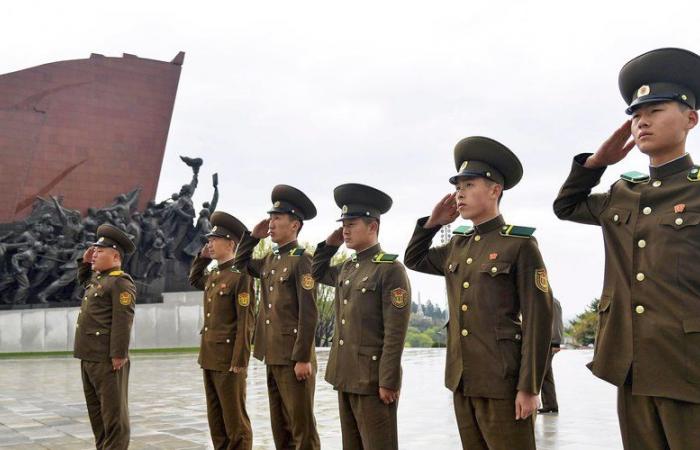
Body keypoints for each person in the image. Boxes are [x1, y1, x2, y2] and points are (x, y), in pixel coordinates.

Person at [553, 47, 700, 449]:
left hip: (689, 367)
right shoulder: (623, 194)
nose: (642, 121)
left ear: (691, 118)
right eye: (636, 114)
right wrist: (597, 162)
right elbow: (565, 207)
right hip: (632, 365)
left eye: (655, 109)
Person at [405, 136, 553, 449]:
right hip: (463, 379)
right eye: (458, 186)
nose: (459, 193)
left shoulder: (519, 245)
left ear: (494, 189)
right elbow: (414, 259)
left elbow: (539, 320)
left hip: (503, 381)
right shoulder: (457, 247)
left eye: (469, 185)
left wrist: (529, 387)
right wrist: (432, 224)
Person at [312, 183, 411, 449]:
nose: (345, 229)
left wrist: (388, 380)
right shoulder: (348, 267)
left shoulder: (390, 269)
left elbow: (395, 331)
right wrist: (329, 244)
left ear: (372, 227)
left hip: (372, 380)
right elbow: (317, 272)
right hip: (345, 375)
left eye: (352, 224)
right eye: (343, 223)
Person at [234, 185, 320, 450]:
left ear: (294, 225)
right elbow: (241, 264)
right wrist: (252, 237)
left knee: (301, 428)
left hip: (294, 357)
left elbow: (309, 312)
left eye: (277, 219)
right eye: (270, 218)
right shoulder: (270, 259)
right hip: (273, 354)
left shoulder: (302, 260)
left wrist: (303, 356)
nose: (270, 223)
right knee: (279, 427)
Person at [189, 211, 255, 450]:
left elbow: (245, 322)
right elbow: (194, 279)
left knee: (235, 424)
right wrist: (203, 258)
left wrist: (240, 359)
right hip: (209, 357)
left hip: (229, 360)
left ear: (231, 243)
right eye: (209, 240)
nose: (210, 244)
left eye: (214, 240)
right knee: (216, 422)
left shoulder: (241, 276)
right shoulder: (214, 274)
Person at [74, 224, 136, 449]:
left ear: (116, 256)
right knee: (98, 417)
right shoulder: (99, 279)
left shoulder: (120, 282)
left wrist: (119, 354)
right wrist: (85, 261)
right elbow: (83, 280)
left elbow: (123, 320)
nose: (95, 254)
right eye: (94, 250)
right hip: (88, 356)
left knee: (114, 420)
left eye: (100, 251)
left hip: (107, 360)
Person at [539, 298, 563, 414]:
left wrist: (555, 342)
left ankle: (546, 404)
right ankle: (550, 405)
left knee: (539, 373)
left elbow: (556, 322)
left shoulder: (552, 301)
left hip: (548, 342)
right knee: (546, 374)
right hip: (542, 341)